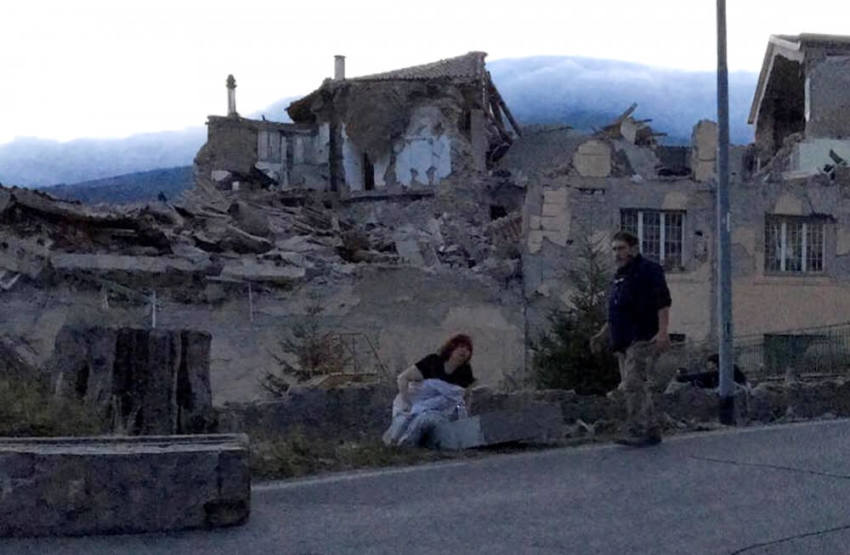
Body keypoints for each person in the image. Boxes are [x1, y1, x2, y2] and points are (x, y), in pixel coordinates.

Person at [591, 230, 672, 447]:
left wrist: (663, 333)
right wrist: (602, 334)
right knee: (633, 386)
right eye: (614, 249)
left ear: (634, 249)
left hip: (643, 337)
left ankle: (640, 428)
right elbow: (617, 310)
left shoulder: (649, 270)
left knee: (633, 383)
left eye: (621, 248)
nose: (617, 253)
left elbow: (663, 302)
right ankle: (651, 429)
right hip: (623, 341)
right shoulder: (619, 275)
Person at [395, 334, 476, 412]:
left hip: (441, 415)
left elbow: (465, 395)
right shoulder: (432, 362)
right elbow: (403, 378)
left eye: (468, 349)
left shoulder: (465, 371)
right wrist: (407, 403)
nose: (464, 351)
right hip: (415, 408)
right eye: (461, 346)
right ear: (452, 347)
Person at [676, 354, 748, 389]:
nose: (708, 367)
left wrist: (684, 378)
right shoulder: (719, 373)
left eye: (709, 364)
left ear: (714, 364)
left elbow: (704, 376)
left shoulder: (726, 369)